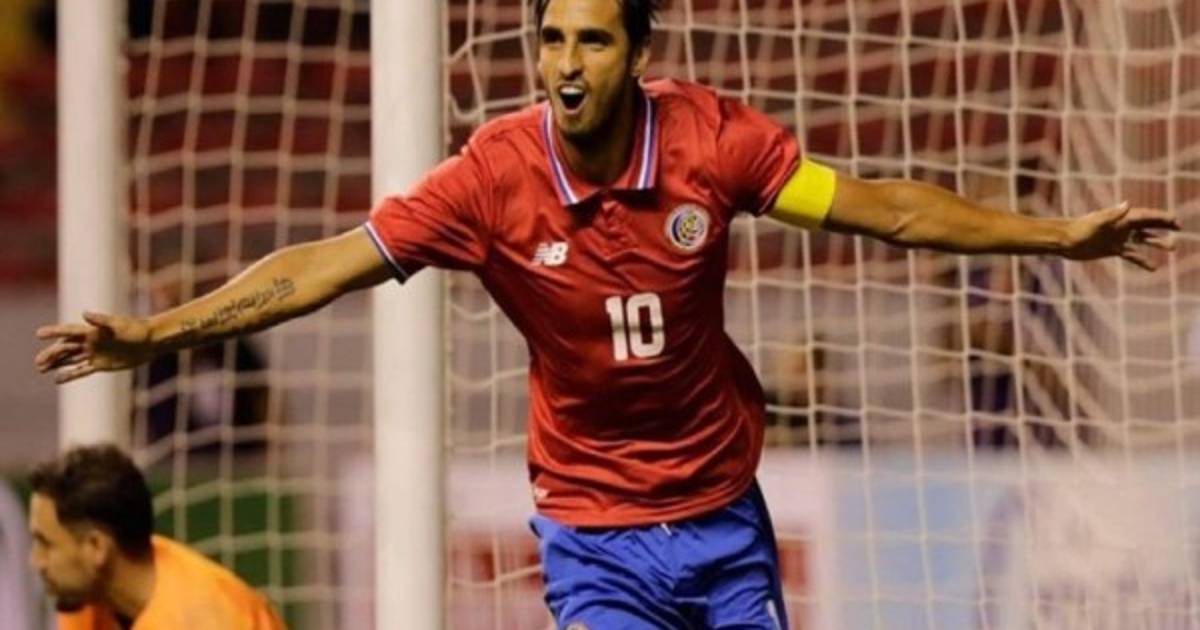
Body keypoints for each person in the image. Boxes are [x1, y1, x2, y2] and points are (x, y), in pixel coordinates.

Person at [34, 0, 1177, 627]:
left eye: (592, 39)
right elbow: (325, 266)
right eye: (550, 39)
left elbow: (887, 211)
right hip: (593, 535)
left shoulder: (713, 143)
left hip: (724, 520)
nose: (566, 65)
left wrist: (1057, 237)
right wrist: (156, 334)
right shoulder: (490, 179)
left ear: (637, 54)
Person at [27, 444, 286, 630]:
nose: (36, 561)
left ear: (97, 547)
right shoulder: (86, 600)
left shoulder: (211, 619)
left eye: (45, 544)